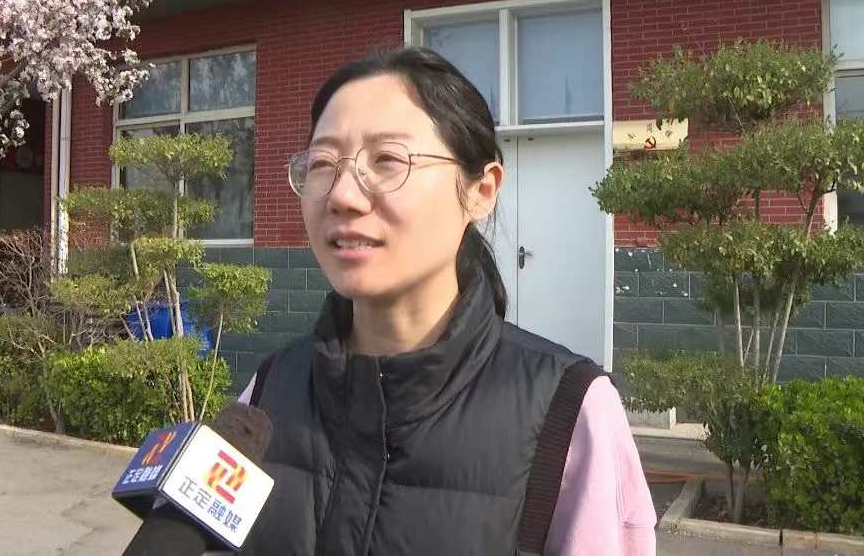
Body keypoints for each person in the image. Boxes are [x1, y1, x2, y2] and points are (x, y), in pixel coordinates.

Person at [237, 46, 656, 555]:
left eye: (387, 160)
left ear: (481, 190)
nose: (343, 195)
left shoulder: (570, 413)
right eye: (323, 163)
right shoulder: (267, 391)